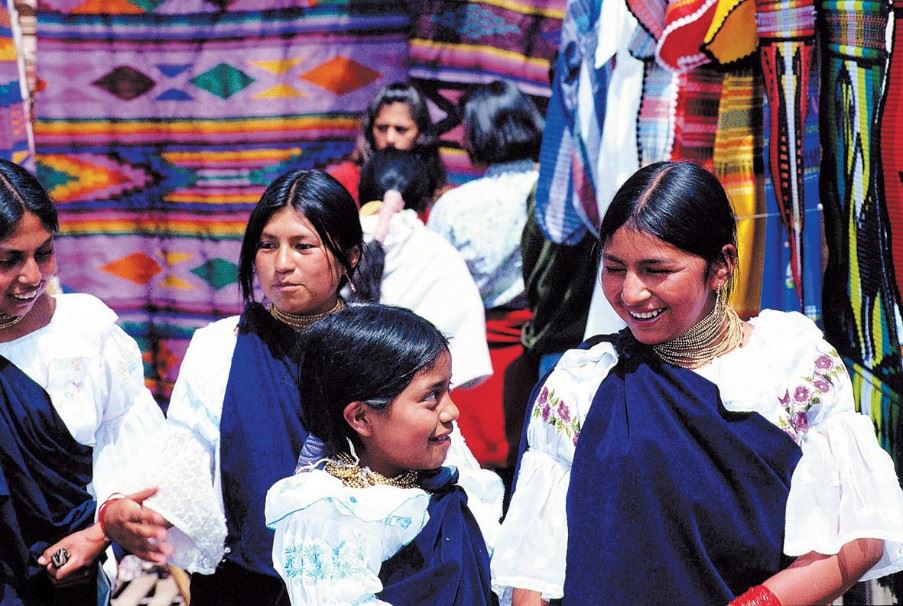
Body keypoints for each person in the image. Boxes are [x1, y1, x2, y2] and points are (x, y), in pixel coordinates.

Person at [491, 161, 903, 605]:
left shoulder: (792, 366)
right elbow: (533, 567)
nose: (630, 293)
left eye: (656, 270)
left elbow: (856, 540)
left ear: (721, 266)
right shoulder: (580, 385)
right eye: (614, 268)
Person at [102, 169, 364, 605]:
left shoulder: (385, 346)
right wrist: (131, 511)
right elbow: (183, 458)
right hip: (245, 585)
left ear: (351, 255)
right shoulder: (218, 347)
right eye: (267, 245)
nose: (281, 264)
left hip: (362, 582)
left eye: (303, 246)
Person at [0, 159, 165, 604]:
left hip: (67, 581)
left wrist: (97, 535)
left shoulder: (87, 336)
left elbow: (144, 463)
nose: (32, 276)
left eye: (44, 253)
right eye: (9, 260)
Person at [265, 303, 495, 605]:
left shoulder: (448, 489)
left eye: (447, 389)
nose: (452, 411)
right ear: (361, 418)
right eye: (430, 397)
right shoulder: (329, 517)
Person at [427, 79, 544, 469]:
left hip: (471, 359)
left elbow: (435, 287)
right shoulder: (551, 196)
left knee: (473, 473)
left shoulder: (453, 207)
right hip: (538, 352)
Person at [355, 148, 492, 389]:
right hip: (419, 403)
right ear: (421, 197)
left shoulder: (334, 244)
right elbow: (467, 357)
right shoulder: (438, 250)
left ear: (363, 190)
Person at [327, 82, 446, 206]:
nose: (390, 139)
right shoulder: (344, 180)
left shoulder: (435, 190)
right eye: (382, 128)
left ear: (420, 134)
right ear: (370, 129)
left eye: (401, 129)